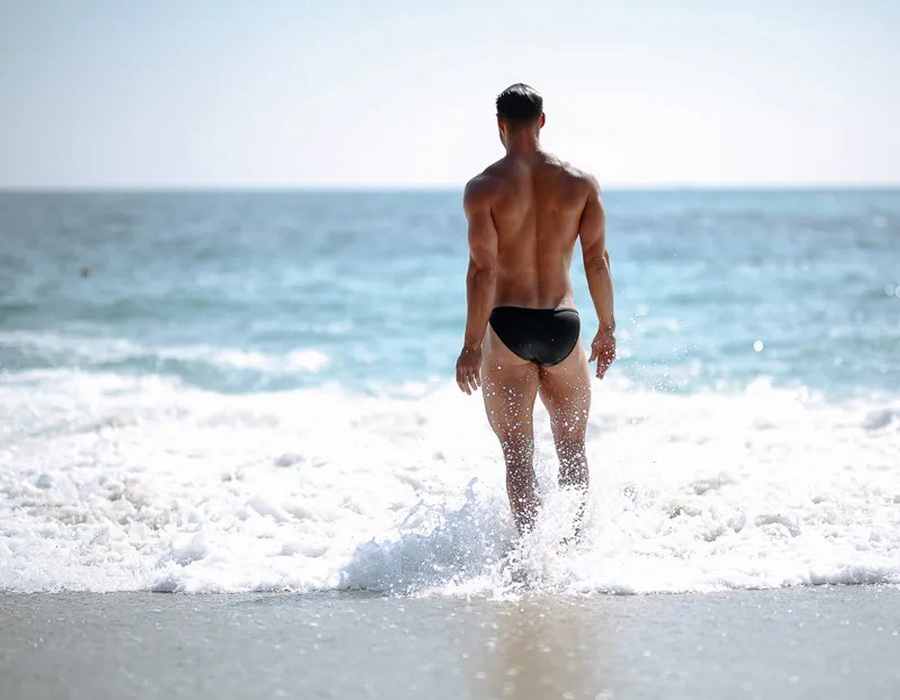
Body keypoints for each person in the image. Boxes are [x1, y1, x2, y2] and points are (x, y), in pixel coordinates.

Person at [455, 83, 616, 536]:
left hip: (508, 326)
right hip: (562, 325)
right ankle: (570, 550)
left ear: (500, 125)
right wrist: (607, 328)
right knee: (572, 447)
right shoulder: (580, 184)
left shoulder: (483, 188)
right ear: (542, 121)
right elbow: (597, 262)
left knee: (517, 455)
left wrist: (471, 345)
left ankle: (530, 557)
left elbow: (482, 271)